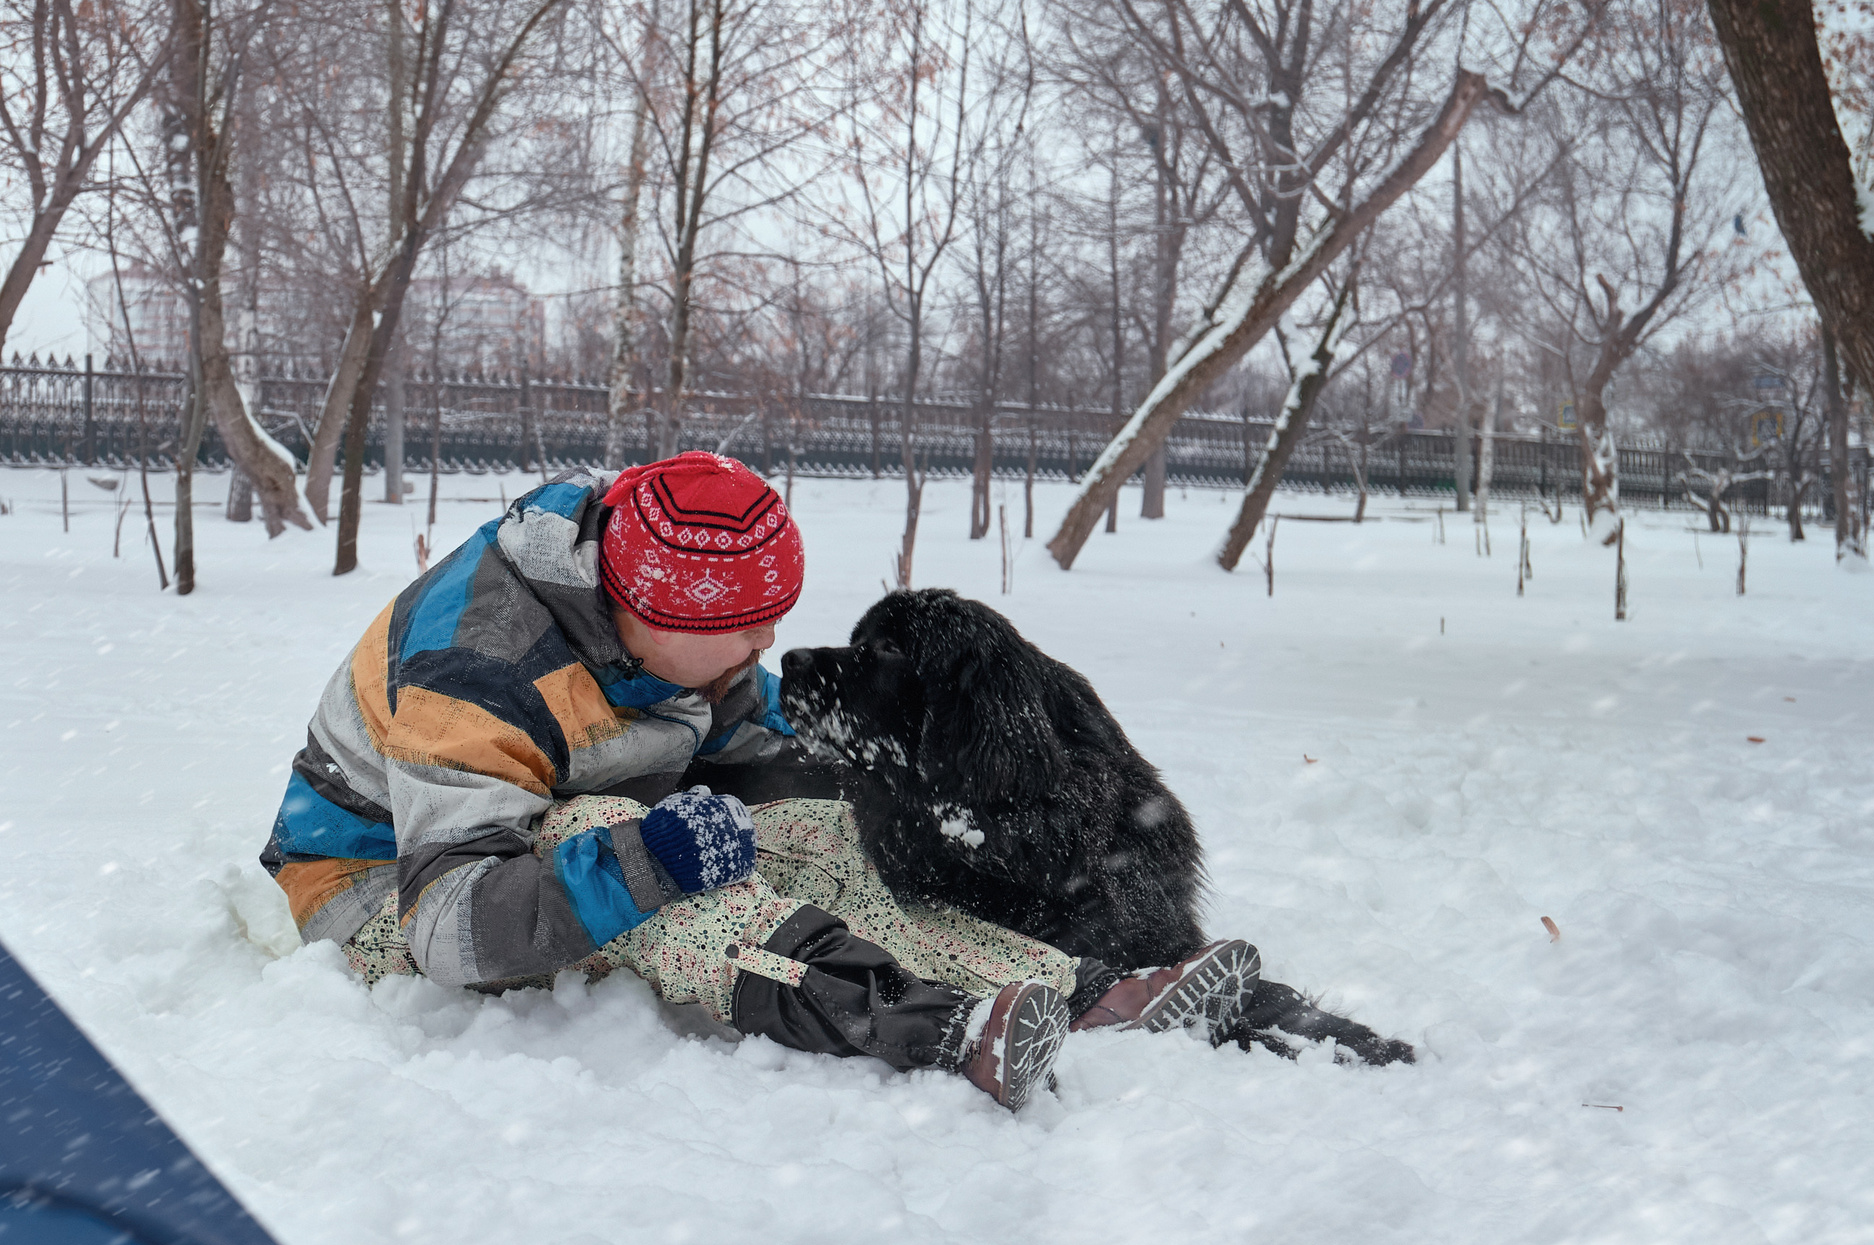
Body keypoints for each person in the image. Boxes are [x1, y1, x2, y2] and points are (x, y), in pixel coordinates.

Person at [260, 451, 1253, 1109]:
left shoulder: (662, 620)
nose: (767, 645)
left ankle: (1083, 988)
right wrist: (645, 857)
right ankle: (930, 1025)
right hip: (389, 891)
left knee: (823, 829)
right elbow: (453, 931)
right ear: (651, 619)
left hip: (541, 827)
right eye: (744, 631)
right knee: (617, 844)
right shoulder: (471, 672)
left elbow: (761, 746)